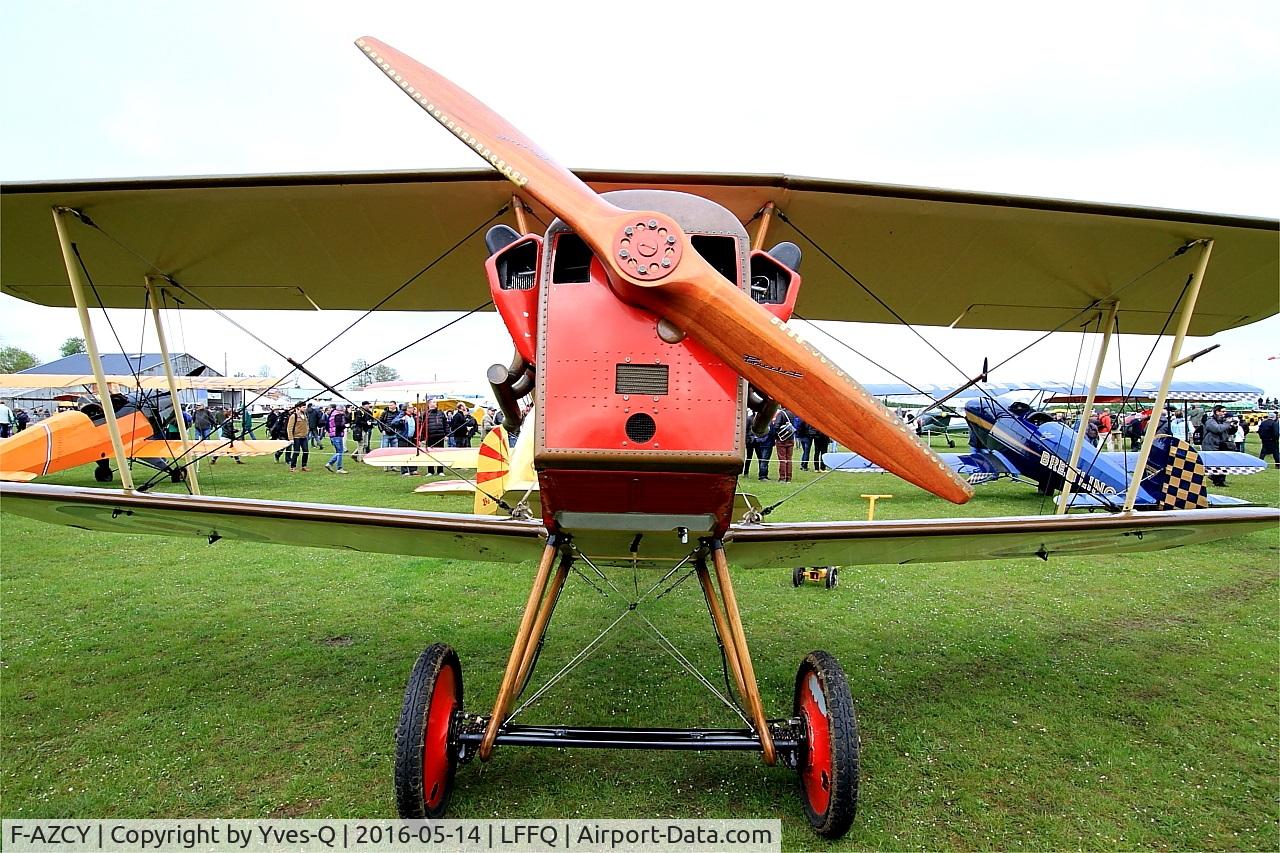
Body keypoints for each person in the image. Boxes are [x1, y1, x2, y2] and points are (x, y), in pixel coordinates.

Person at [1201, 405, 1234, 487]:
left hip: (1221, 445)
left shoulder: (1222, 422)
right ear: (1217, 412)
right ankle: (1216, 480)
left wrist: (1233, 427)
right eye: (1222, 411)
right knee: (1215, 463)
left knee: (1223, 463)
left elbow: (1228, 432)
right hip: (1211, 446)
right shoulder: (1210, 421)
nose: (1224, 413)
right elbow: (1217, 429)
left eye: (1225, 411)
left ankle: (1221, 480)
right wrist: (1227, 423)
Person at [390, 403, 418, 476]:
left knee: (413, 454)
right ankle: (404, 470)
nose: (413, 409)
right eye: (412, 407)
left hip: (412, 438)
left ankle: (413, 469)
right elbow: (393, 423)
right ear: (407, 408)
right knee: (404, 454)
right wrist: (401, 420)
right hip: (403, 438)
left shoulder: (413, 416)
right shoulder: (402, 415)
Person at [424, 399, 448, 475]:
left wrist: (447, 434)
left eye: (435, 403)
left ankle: (440, 471)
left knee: (440, 454)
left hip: (440, 436)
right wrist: (422, 437)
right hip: (430, 436)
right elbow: (422, 426)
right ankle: (430, 471)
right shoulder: (425, 414)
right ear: (429, 404)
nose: (435, 404)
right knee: (429, 454)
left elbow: (445, 424)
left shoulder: (441, 413)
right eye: (433, 402)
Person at [286, 402, 310, 472]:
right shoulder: (294, 416)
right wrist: (291, 438)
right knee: (296, 452)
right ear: (298, 408)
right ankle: (292, 467)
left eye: (305, 407)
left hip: (304, 437)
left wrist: (307, 432)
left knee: (306, 451)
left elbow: (307, 425)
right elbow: (289, 428)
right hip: (296, 437)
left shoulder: (305, 415)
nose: (305, 408)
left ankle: (304, 466)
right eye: (303, 407)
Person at [325, 404, 349, 473]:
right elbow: (338, 426)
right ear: (340, 410)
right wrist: (345, 426)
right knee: (340, 452)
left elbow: (327, 425)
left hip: (332, 435)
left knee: (338, 451)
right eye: (343, 411)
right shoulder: (338, 415)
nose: (344, 412)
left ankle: (330, 464)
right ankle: (338, 468)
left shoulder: (332, 415)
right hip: (337, 435)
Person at [774, 408, 796, 482]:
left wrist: (777, 435)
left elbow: (776, 426)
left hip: (782, 439)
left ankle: (782, 477)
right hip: (791, 438)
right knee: (789, 459)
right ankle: (789, 477)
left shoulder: (781, 413)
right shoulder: (792, 413)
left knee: (782, 459)